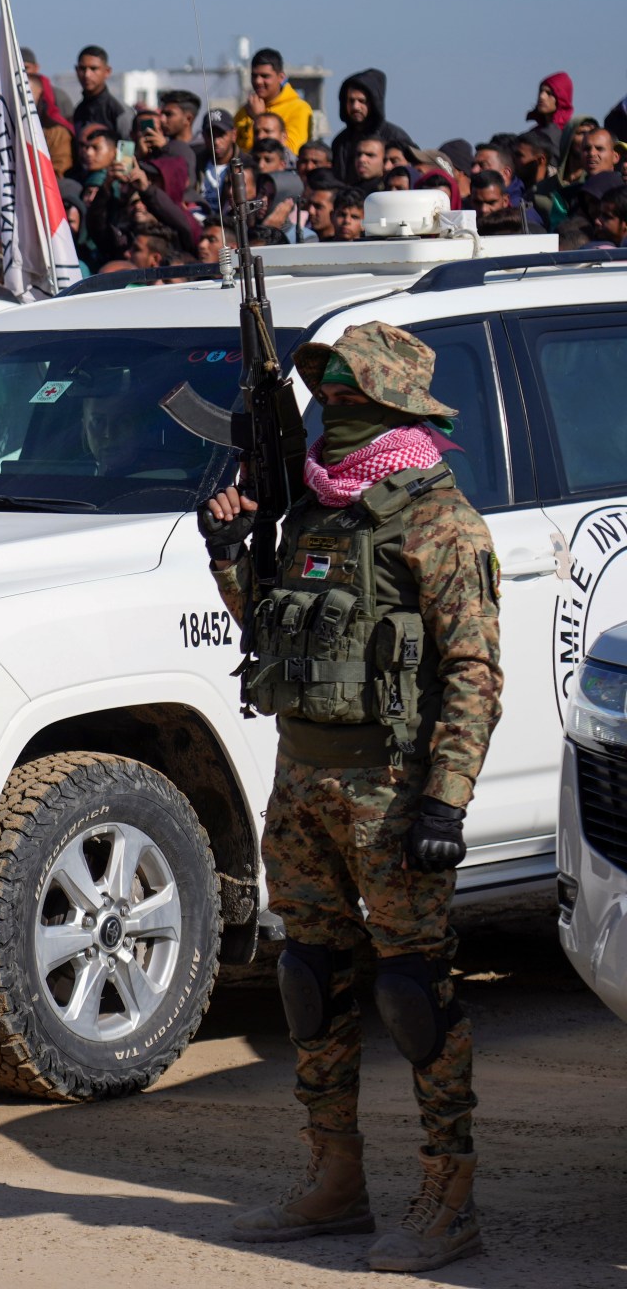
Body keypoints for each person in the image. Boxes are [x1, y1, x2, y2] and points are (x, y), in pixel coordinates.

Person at [202, 321, 500, 1275]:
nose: (332, 412)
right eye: (325, 397)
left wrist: (445, 800)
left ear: (393, 407)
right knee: (309, 977)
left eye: (350, 398)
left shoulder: (440, 520)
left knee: (414, 991)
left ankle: (448, 1196)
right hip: (303, 781)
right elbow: (277, 634)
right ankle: (335, 1179)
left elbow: (474, 673)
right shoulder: (317, 509)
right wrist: (230, 552)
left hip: (392, 789)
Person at [331, 70, 412, 187]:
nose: (355, 106)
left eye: (362, 101)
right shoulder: (340, 142)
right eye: (351, 101)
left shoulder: (395, 137)